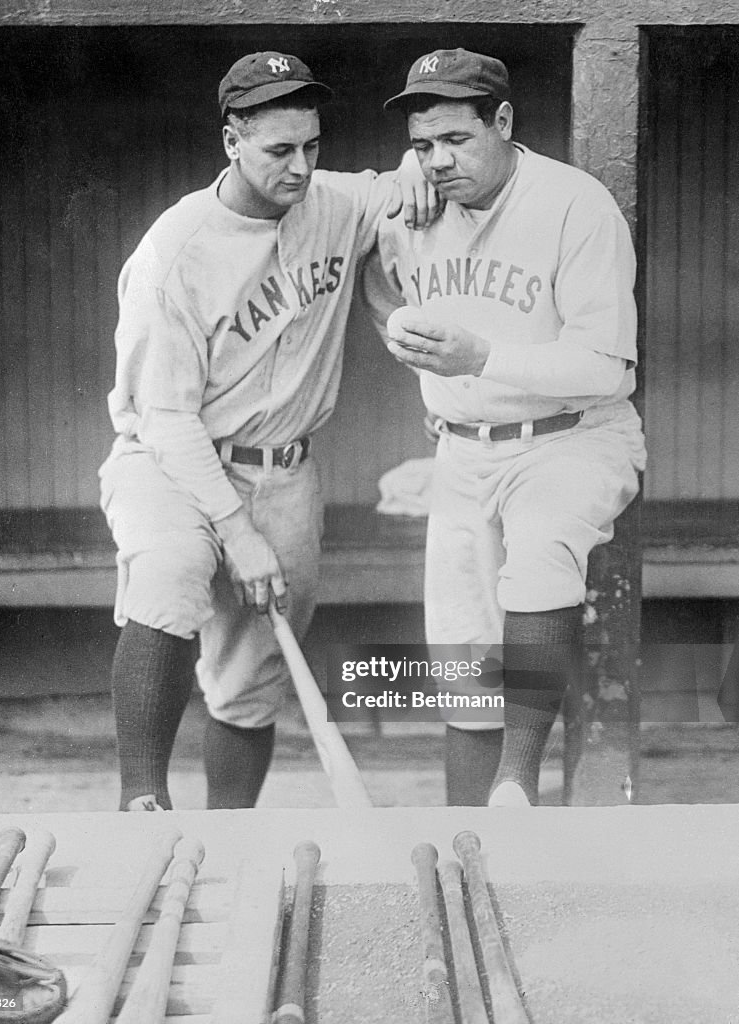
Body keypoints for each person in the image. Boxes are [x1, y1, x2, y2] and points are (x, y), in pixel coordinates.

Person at [99, 51, 437, 811]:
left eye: (311, 147)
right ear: (231, 142)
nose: (299, 167)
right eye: (278, 150)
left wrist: (412, 174)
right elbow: (165, 416)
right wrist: (235, 532)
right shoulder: (174, 253)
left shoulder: (332, 201)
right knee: (172, 570)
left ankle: (230, 832)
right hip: (170, 460)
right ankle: (139, 802)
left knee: (253, 672)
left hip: (283, 470)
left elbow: (392, 188)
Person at [363, 48, 647, 806]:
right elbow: (366, 267)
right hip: (462, 450)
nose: (439, 160)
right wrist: (392, 320)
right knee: (462, 652)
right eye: (424, 145)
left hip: (572, 436)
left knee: (540, 549)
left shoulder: (571, 203)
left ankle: (516, 784)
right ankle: (473, 827)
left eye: (458, 139)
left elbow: (606, 367)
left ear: (504, 121)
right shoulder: (411, 204)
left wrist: (480, 356)